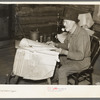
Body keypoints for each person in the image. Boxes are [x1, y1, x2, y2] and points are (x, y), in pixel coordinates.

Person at [47, 9, 91, 85]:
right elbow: (66, 45)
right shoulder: (70, 32)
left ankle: (63, 93)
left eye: (66, 22)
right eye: (64, 21)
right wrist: (55, 44)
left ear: (73, 22)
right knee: (55, 58)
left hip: (82, 62)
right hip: (73, 57)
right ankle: (55, 78)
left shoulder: (82, 35)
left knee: (62, 70)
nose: (64, 24)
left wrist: (63, 52)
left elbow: (80, 55)